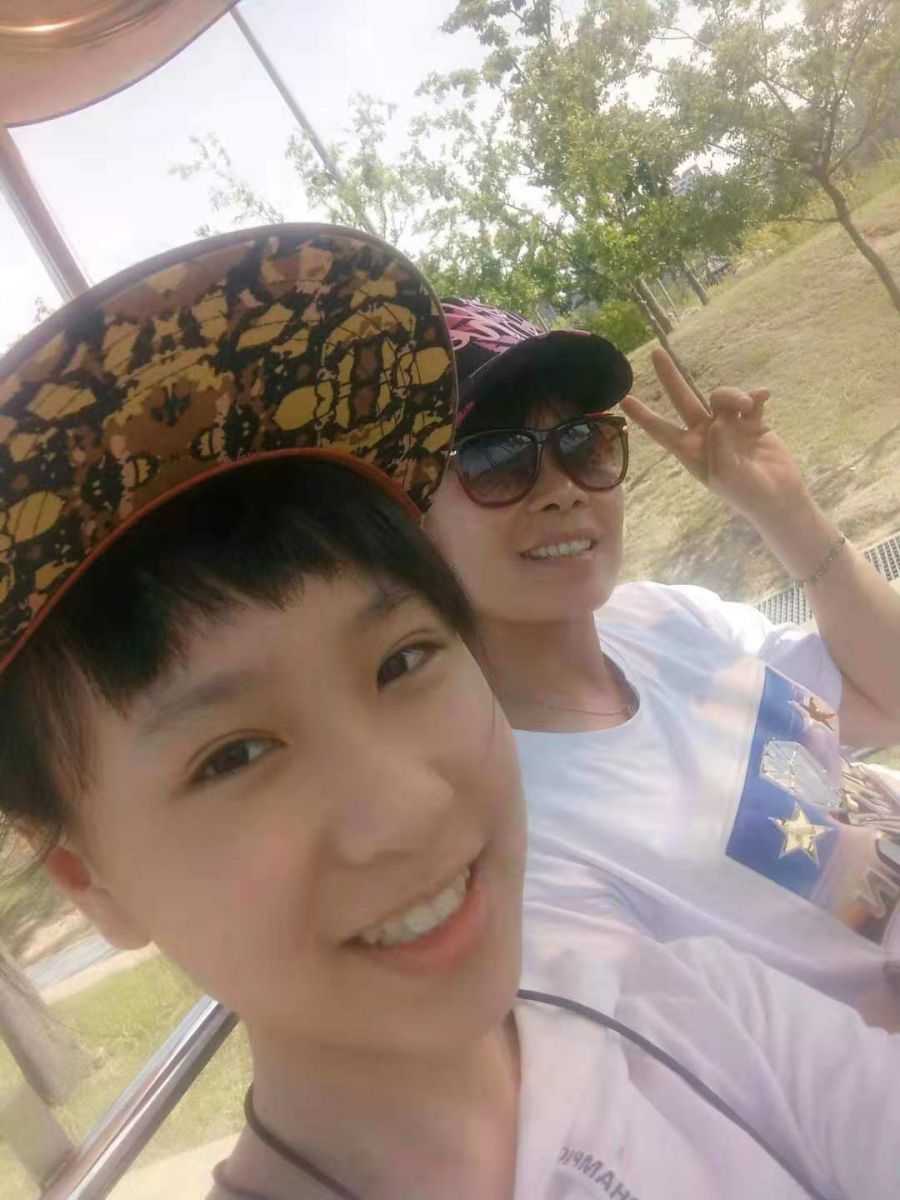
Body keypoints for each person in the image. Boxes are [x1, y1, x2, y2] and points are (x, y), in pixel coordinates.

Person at [1, 227, 899, 1200]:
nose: (410, 809)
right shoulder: (588, 913)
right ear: (90, 883)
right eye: (233, 755)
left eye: (403, 661)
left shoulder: (689, 1007)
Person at [427, 298, 900, 1030]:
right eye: (494, 459)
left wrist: (782, 508)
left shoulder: (664, 620)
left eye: (581, 441)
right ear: (408, 522)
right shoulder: (515, 830)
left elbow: (888, 698)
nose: (562, 488)